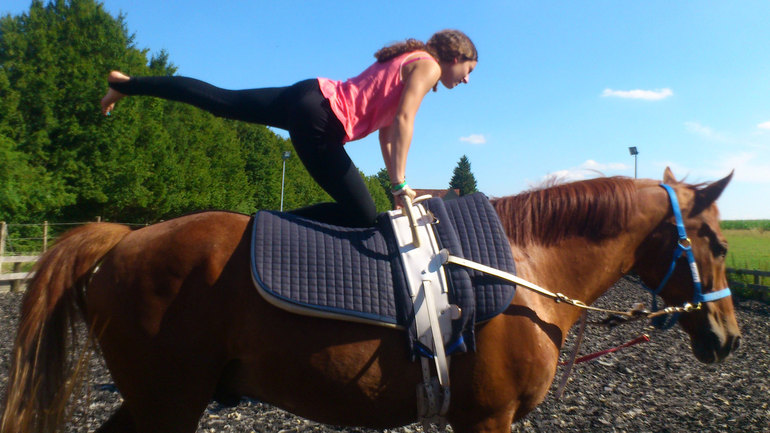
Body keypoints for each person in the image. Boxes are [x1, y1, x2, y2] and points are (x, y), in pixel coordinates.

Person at [101, 29, 477, 227]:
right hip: (322, 121)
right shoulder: (429, 65)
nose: (466, 80)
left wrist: (397, 186)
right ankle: (261, 228)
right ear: (456, 56)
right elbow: (405, 120)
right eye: (468, 70)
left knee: (221, 100)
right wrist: (398, 185)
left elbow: (387, 133)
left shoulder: (411, 59)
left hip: (310, 94)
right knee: (363, 217)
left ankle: (127, 85)